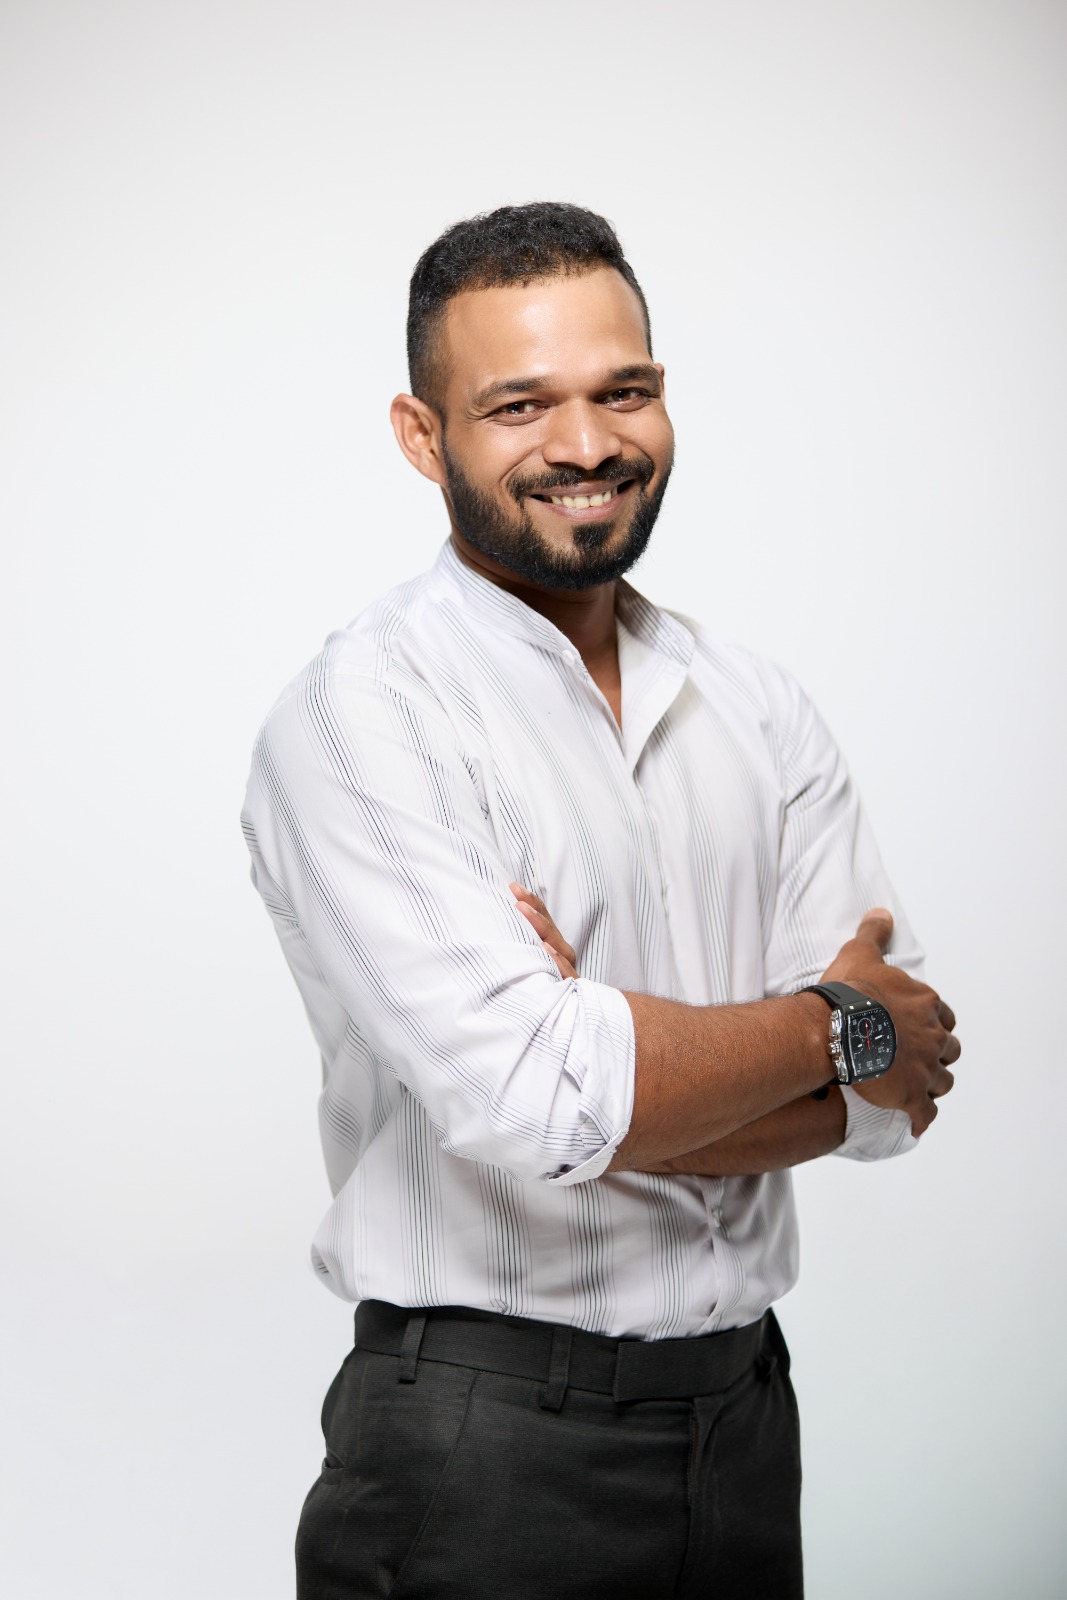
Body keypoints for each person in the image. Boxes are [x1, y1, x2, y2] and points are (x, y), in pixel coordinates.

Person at [242, 202, 959, 1599]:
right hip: (483, 1448)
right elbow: (539, 1100)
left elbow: (897, 1095)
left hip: (747, 1425)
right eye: (520, 405)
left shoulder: (756, 706)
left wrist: (618, 1050)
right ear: (422, 435)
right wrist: (829, 1026)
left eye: (621, 391)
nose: (585, 445)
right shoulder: (364, 715)